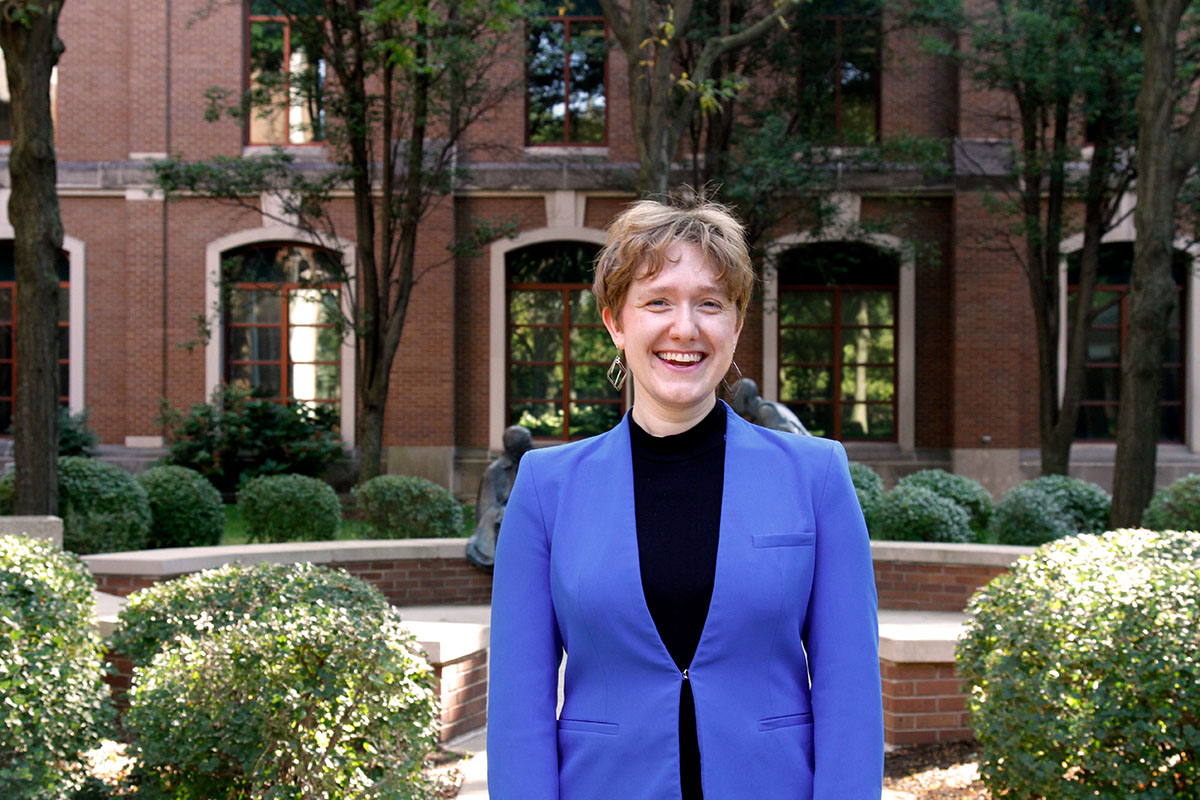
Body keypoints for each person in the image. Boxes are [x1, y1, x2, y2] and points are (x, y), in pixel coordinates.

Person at [488, 194, 882, 800]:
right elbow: (519, 705)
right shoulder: (545, 488)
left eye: (710, 304)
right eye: (657, 302)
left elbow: (850, 689)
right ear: (616, 323)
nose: (685, 328)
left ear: (736, 323)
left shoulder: (816, 476)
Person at [465, 425, 533, 572]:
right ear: (515, 446)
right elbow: (486, 510)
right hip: (506, 528)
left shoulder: (528, 467)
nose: (531, 445)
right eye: (527, 442)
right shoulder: (494, 471)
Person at [730, 376, 811, 435]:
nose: (732, 404)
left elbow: (777, 441)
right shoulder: (758, 416)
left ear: (743, 398)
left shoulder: (766, 410)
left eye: (734, 400)